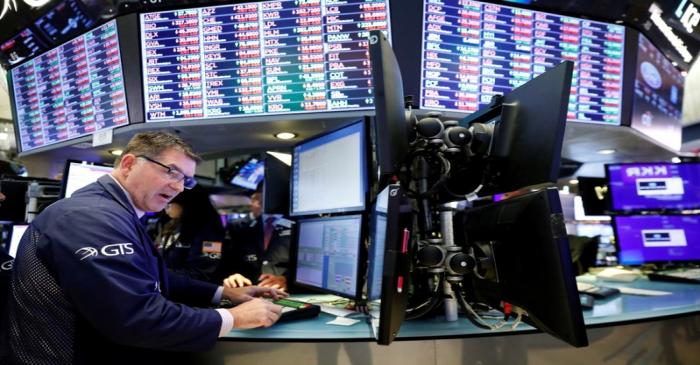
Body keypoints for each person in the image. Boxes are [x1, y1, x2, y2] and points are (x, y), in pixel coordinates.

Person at [1, 132, 286, 365]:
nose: (178, 187)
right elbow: (136, 317)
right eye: (171, 172)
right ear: (128, 164)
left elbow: (150, 275)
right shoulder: (91, 218)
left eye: (185, 180)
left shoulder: (113, 211)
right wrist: (233, 317)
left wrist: (223, 293)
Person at [218, 191, 291, 290]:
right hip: (248, 293)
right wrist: (232, 276)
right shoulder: (240, 228)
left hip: (285, 292)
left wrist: (288, 280)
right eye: (257, 198)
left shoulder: (300, 225)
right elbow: (227, 263)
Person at [155, 186, 225, 282]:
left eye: (169, 205)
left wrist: (158, 275)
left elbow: (203, 272)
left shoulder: (210, 233)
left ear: (186, 204)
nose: (165, 209)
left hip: (188, 291)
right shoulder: (170, 225)